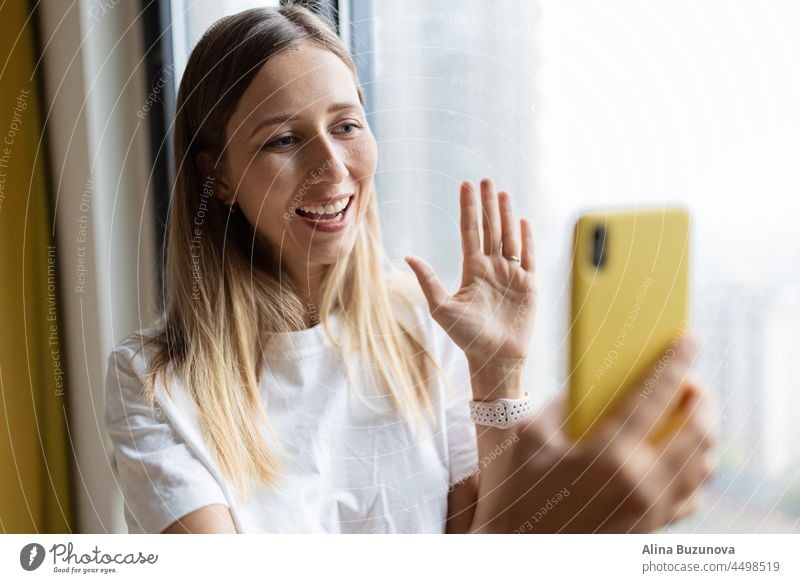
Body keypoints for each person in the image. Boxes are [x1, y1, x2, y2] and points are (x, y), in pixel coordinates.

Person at [104, 4, 716, 534]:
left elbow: (481, 528)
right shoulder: (154, 385)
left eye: (346, 126)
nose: (333, 167)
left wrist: (497, 373)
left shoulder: (421, 327)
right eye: (284, 140)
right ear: (219, 177)